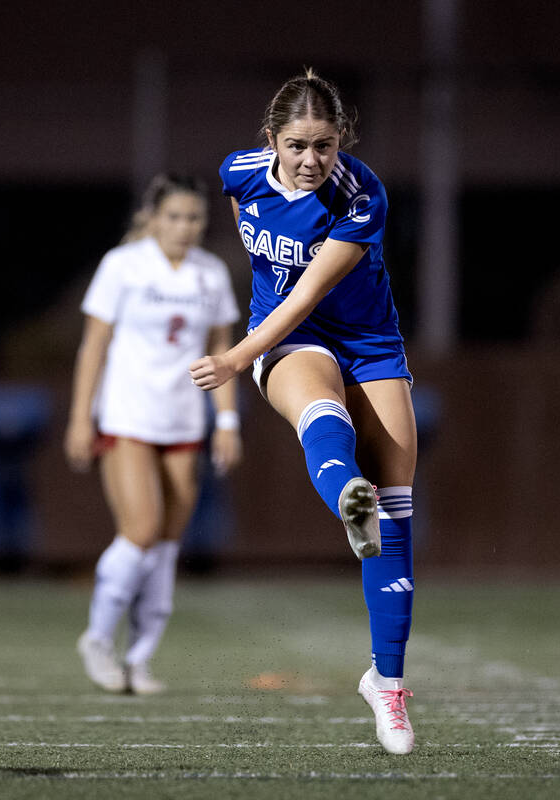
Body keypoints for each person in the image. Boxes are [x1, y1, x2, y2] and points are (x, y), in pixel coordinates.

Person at [189, 70, 419, 754]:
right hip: (290, 340)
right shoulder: (239, 173)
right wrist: (254, 350)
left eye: (324, 145)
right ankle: (349, 493)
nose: (311, 160)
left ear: (342, 140)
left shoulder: (363, 193)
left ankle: (387, 683)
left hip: (370, 342)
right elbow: (269, 276)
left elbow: (309, 290)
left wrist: (232, 358)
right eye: (297, 145)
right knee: (324, 417)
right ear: (271, 140)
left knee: (400, 505)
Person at [66, 173, 242, 694]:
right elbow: (93, 346)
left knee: (166, 547)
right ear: (152, 218)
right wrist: (80, 417)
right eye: (175, 217)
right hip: (126, 416)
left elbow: (222, 353)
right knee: (141, 531)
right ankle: (97, 638)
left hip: (183, 419)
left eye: (194, 218)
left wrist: (226, 421)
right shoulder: (123, 266)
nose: (185, 227)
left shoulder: (211, 274)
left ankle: (138, 660)